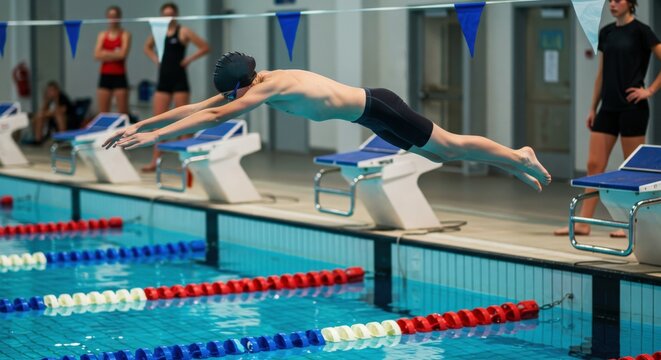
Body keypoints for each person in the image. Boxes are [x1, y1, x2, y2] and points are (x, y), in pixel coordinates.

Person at [103, 52, 552, 191]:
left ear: (244, 83)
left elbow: (214, 115)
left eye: (234, 90)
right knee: (440, 154)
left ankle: (518, 155)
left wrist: (156, 137)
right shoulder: (254, 81)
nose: (232, 97)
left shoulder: (269, 88)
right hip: (370, 118)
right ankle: (512, 163)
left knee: (449, 146)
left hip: (380, 106)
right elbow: (197, 106)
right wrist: (142, 125)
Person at [554, 0, 661, 237]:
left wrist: (649, 90)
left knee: (633, 170)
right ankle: (583, 222)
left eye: (618, 0)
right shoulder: (606, 32)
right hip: (608, 109)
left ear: (631, 4)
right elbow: (601, 74)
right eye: (610, 0)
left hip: (633, 108)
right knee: (594, 165)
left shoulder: (642, 31)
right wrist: (593, 108)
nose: (612, 4)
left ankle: (633, 224)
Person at [141, 2, 210, 172]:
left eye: (171, 14)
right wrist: (155, 59)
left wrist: (189, 59)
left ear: (176, 15)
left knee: (184, 123)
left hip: (180, 80)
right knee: (158, 123)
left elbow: (205, 47)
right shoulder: (158, 33)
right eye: (165, 14)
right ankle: (155, 161)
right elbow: (146, 47)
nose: (168, 17)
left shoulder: (183, 31)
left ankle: (186, 162)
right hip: (163, 80)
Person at [94, 5, 131, 115]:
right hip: (105, 75)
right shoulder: (102, 35)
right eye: (110, 16)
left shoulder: (125, 34)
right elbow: (96, 55)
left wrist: (105, 52)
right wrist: (115, 53)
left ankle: (124, 132)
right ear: (107, 18)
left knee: (123, 113)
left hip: (120, 76)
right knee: (103, 113)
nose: (112, 19)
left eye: (115, 16)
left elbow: (123, 55)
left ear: (119, 17)